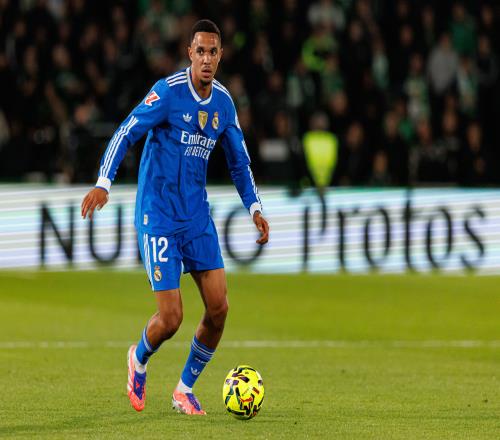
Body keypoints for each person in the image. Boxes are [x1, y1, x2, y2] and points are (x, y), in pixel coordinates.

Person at [80, 19, 269, 416]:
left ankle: (184, 389)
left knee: (219, 308)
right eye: (200, 51)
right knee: (171, 318)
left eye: (212, 52)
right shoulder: (168, 92)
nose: (206, 59)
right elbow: (126, 131)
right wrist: (103, 182)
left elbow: (239, 162)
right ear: (189, 53)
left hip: (196, 217)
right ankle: (138, 359)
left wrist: (255, 208)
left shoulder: (223, 103)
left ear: (220, 56)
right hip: (159, 214)